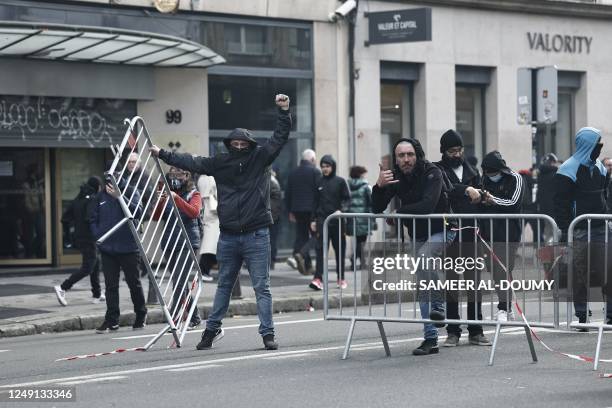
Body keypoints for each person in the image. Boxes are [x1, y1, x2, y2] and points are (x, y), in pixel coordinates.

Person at [150, 93, 291, 351]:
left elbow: (279, 138)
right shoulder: (220, 162)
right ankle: (210, 332)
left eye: (242, 143)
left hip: (256, 233)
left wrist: (283, 111)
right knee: (224, 286)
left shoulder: (260, 158)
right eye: (234, 143)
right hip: (229, 235)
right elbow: (192, 161)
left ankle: (267, 334)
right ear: (229, 144)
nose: (238, 146)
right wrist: (163, 154)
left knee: (262, 287)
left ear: (249, 144)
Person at [372, 138, 455, 356]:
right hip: (418, 233)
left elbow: (428, 205)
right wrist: (379, 186)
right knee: (423, 283)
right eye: (401, 156)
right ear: (396, 159)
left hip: (443, 228)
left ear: (417, 154)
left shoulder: (432, 172)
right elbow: (376, 208)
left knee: (426, 259)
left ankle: (439, 305)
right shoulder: (396, 176)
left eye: (410, 154)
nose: (406, 159)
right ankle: (430, 339)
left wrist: (399, 213)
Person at [435, 129, 490, 347]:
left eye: (459, 150)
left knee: (474, 282)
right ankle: (453, 330)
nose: (456, 154)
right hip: (449, 233)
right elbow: (446, 189)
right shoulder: (438, 169)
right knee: (451, 282)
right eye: (451, 151)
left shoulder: (472, 169)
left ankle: (476, 329)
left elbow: (479, 192)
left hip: (470, 233)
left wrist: (483, 197)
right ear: (444, 151)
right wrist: (467, 189)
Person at [554, 127, 612, 328]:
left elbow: (606, 194)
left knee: (609, 270)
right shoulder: (567, 169)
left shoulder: (601, 168)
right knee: (579, 274)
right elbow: (560, 204)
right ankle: (581, 315)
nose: (600, 147)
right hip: (577, 229)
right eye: (597, 144)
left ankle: (611, 314)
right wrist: (564, 230)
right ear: (588, 145)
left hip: (601, 227)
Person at [90, 167, 147, 333]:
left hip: (129, 246)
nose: (110, 178)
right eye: (107, 175)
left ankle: (141, 315)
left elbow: (138, 211)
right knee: (110, 286)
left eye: (113, 174)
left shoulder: (130, 190)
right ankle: (112, 319)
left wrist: (120, 197)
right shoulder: (100, 196)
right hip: (108, 248)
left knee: (133, 283)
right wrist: (98, 235)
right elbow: (93, 218)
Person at [152, 167, 202, 330]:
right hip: (169, 243)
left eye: (178, 174)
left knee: (178, 282)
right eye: (172, 174)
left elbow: (194, 212)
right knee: (181, 283)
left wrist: (176, 199)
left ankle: (173, 318)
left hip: (187, 243)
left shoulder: (194, 194)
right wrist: (161, 200)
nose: (174, 177)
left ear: (187, 176)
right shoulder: (168, 193)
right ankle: (194, 317)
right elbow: (156, 217)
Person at [479, 151, 524, 322]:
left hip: (509, 233)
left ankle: (503, 308)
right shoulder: (483, 180)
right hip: (488, 232)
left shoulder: (515, 178)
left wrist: (494, 200)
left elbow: (514, 203)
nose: (492, 177)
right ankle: (507, 306)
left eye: (494, 173)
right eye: (488, 174)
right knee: (495, 271)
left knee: (504, 269)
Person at [55, 176, 104, 306]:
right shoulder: (92, 199)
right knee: (88, 267)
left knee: (96, 264)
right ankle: (63, 287)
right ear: (97, 187)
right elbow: (90, 218)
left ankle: (97, 294)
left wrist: (68, 236)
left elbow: (64, 219)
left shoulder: (78, 199)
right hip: (89, 238)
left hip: (79, 237)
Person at [309, 155, 351, 290]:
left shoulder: (340, 181)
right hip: (322, 221)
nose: (325, 169)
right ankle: (317, 279)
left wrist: (341, 210)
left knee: (340, 250)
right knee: (320, 251)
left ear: (332, 167)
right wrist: (312, 220)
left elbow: (347, 199)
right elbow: (314, 202)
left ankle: (341, 278)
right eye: (323, 166)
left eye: (327, 166)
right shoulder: (318, 181)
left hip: (337, 221)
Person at [285, 149, 321, 275]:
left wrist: (290, 211)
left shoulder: (293, 172)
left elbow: (288, 193)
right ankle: (300, 254)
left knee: (302, 236)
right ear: (312, 160)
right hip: (312, 210)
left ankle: (308, 265)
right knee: (317, 235)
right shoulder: (315, 172)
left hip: (297, 210)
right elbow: (319, 192)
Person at [346, 165, 375, 270]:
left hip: (352, 217)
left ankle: (358, 261)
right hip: (363, 217)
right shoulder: (365, 186)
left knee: (358, 241)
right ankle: (356, 260)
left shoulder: (347, 185)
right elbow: (372, 201)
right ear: (360, 174)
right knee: (362, 241)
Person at [197, 174, 220, 282]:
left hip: (205, 209)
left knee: (210, 244)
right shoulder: (212, 178)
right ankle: (203, 271)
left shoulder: (201, 179)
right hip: (213, 212)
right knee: (210, 245)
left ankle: (206, 269)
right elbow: (215, 193)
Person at [536, 153, 559, 243]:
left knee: (546, 231)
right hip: (554, 207)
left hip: (543, 207)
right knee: (555, 231)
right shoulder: (556, 173)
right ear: (552, 162)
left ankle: (547, 251)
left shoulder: (540, 174)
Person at [269, 168, 282, 269]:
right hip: (273, 216)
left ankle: (271, 260)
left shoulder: (270, 182)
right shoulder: (273, 181)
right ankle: (271, 260)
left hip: (271, 216)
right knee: (271, 239)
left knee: (271, 239)